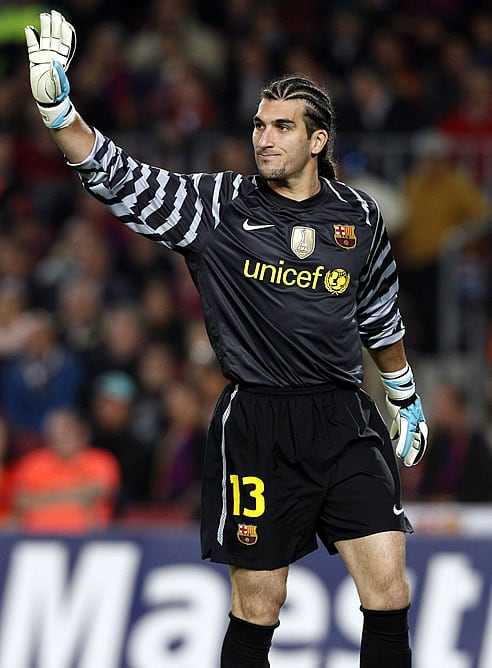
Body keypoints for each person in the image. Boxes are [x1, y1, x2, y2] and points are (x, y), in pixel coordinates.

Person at [24, 11, 429, 667]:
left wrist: (403, 394)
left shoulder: (359, 215)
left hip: (346, 416)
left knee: (389, 588)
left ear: (317, 140)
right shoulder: (217, 206)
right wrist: (58, 109)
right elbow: (117, 176)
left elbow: (378, 309)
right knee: (259, 605)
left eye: (281, 127)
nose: (263, 139)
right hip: (257, 422)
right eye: (258, 126)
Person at [9, 408, 120, 532]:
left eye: (67, 431)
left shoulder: (100, 461)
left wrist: (40, 499)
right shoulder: (33, 463)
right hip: (35, 538)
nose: (62, 436)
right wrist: (75, 497)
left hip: (86, 538)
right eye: (56, 432)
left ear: (82, 433)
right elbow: (20, 500)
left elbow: (96, 493)